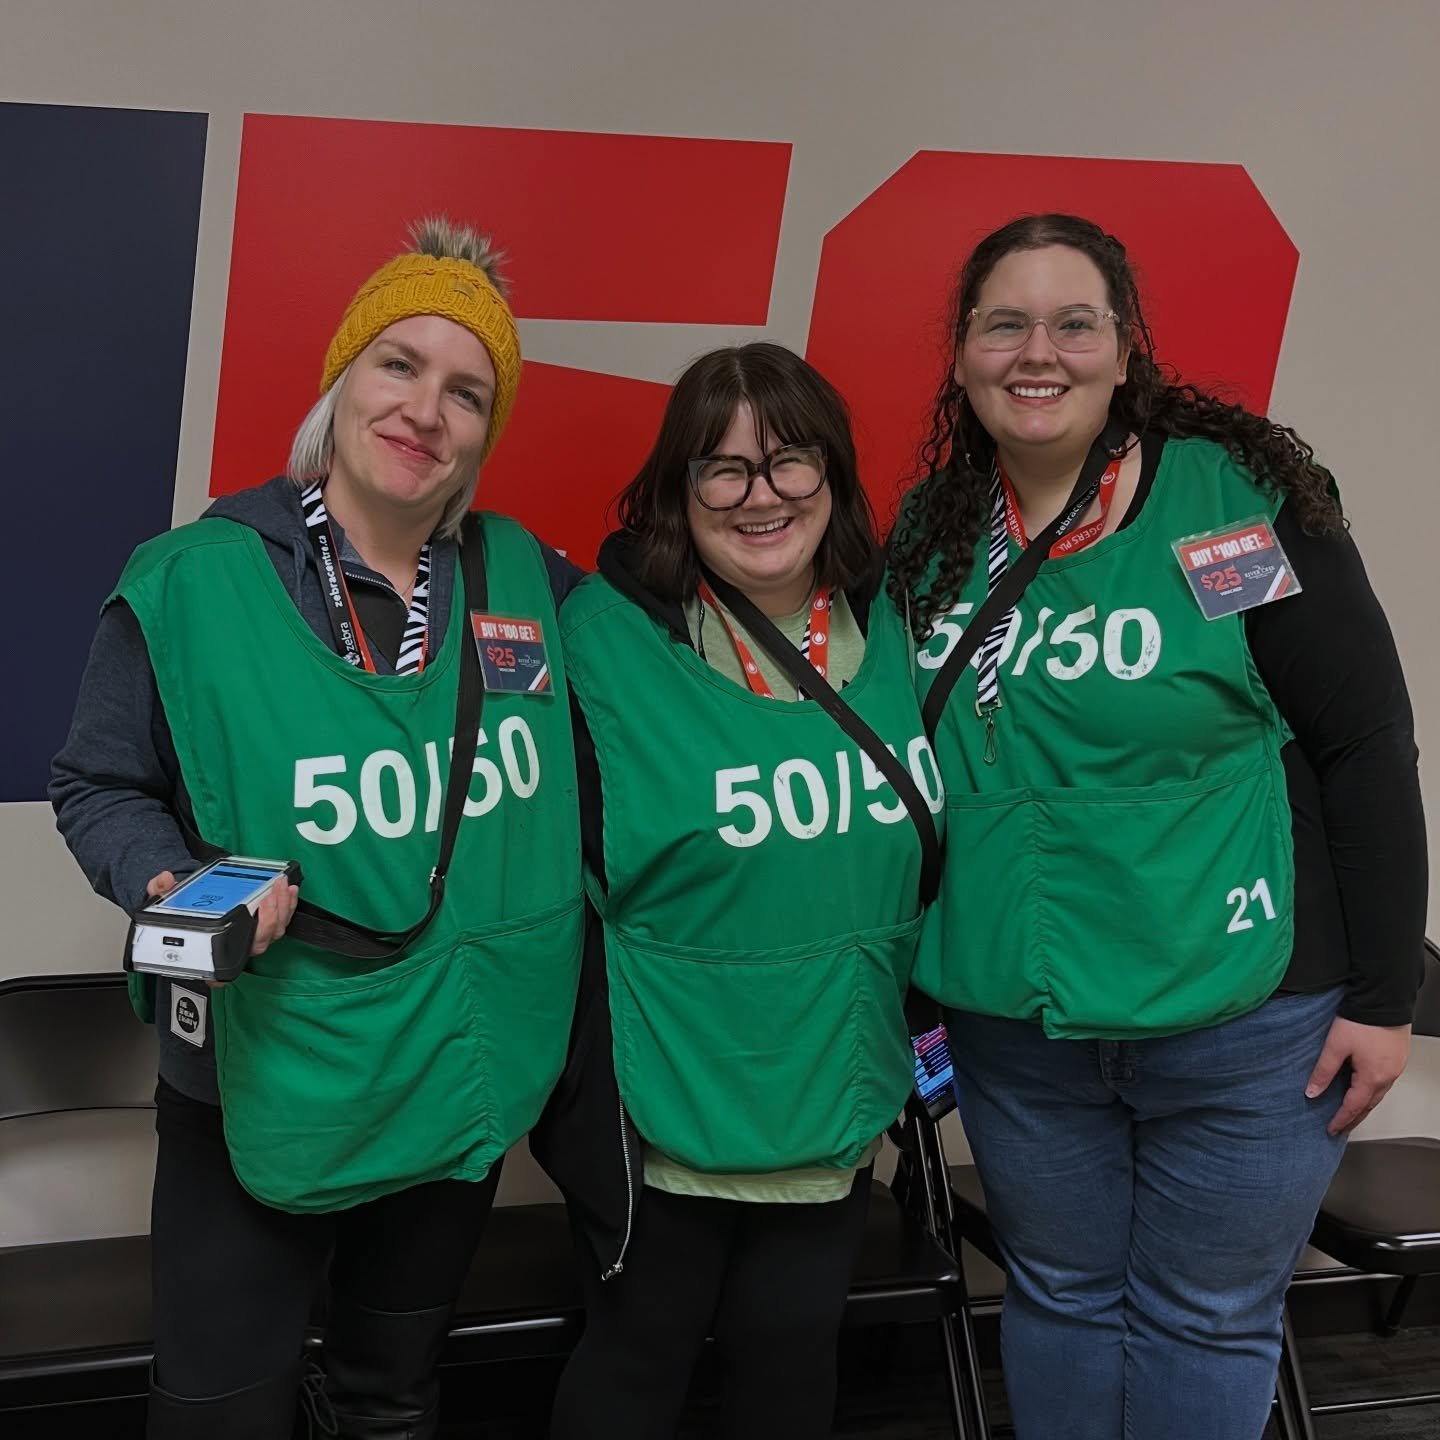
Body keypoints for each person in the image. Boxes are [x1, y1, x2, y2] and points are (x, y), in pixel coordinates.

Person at [887, 212, 1428, 1439]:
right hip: (1020, 1023)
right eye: (1004, 325)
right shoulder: (928, 538)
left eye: (1074, 324)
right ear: (962, 355)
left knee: (1208, 1315)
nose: (1039, 352)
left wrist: (1386, 998)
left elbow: (1366, 746)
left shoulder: (1236, 507)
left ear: (1125, 349)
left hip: (1249, 1020)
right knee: (1061, 1296)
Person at [50, 217, 585, 1439]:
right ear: (344, 379)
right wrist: (172, 880)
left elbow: (665, 697)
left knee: (387, 1401)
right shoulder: (193, 579)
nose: (425, 412)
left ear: (484, 432)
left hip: (452, 1063)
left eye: (466, 392)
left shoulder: (528, 581)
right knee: (218, 1412)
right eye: (400, 364)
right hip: (260, 1071)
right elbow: (98, 785)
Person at [532, 342, 944, 1440]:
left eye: (790, 461)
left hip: (833, 1090)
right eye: (724, 468)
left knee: (792, 1363)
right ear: (679, 488)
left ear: (834, 476)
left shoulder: (898, 626)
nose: (761, 496)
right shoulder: (600, 644)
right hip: (662, 1102)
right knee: (636, 1360)